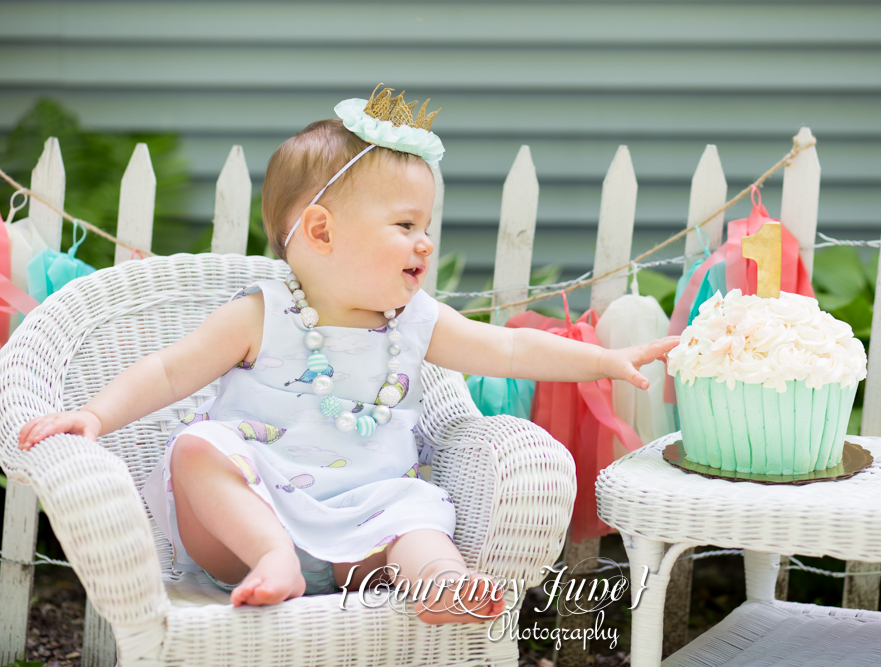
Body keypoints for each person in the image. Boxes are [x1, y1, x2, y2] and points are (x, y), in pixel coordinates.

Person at [17, 86, 680, 624]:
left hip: (366, 517)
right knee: (199, 449)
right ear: (322, 230)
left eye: (427, 226)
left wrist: (603, 359)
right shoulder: (261, 314)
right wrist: (96, 416)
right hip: (247, 518)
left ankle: (442, 584)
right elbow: (167, 370)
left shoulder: (414, 322)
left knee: (417, 518)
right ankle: (272, 556)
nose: (424, 243)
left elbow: (506, 346)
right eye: (404, 225)